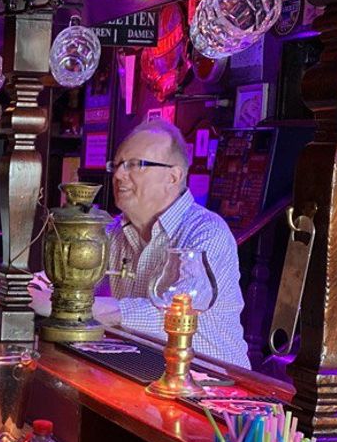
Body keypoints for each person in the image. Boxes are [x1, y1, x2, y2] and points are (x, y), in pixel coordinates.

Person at [92, 119, 250, 369]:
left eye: (135, 165)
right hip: (146, 372)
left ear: (173, 176)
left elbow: (181, 309)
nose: (119, 175)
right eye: (118, 165)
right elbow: (74, 280)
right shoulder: (114, 232)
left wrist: (94, 308)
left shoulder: (207, 231)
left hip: (213, 384)